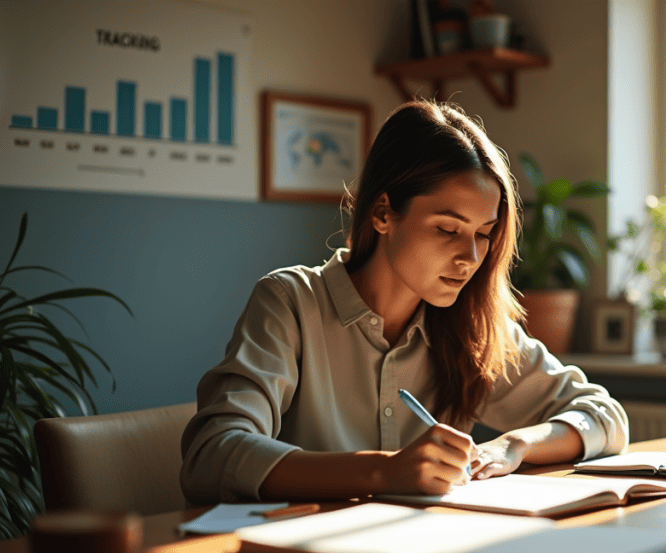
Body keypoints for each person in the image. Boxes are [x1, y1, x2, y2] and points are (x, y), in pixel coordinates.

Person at [179, 100, 628, 504]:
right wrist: (383, 471)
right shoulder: (291, 303)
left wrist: (514, 445)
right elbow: (213, 453)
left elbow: (605, 416)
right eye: (448, 230)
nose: (470, 258)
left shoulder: (471, 325)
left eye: (483, 234)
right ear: (382, 214)